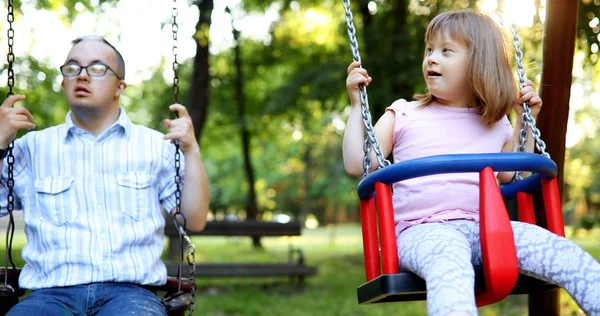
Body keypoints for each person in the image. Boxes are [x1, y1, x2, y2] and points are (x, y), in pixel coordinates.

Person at [343, 9, 600, 316]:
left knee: (562, 253)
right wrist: (357, 105)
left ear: (479, 63)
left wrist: (525, 120)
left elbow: (510, 172)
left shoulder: (495, 123)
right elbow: (357, 164)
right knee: (450, 261)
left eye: (446, 50)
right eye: (429, 50)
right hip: (422, 232)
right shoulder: (404, 114)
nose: (431, 59)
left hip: (486, 230)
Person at [0, 36, 209, 315]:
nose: (82, 76)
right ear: (63, 83)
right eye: (72, 68)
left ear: (119, 86)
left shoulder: (155, 147)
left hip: (130, 295)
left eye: (97, 68)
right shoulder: (31, 148)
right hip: (49, 295)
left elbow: (194, 219)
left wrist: (191, 150)